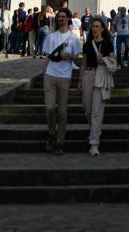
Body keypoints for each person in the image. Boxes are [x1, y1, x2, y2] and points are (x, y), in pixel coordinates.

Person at [41, 10, 82, 154]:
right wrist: (43, 72)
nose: (61, 19)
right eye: (59, 17)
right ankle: (52, 133)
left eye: (63, 17)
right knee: (50, 108)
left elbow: (77, 57)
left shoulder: (73, 38)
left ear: (69, 19)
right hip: (50, 75)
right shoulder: (51, 37)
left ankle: (60, 141)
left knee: (62, 110)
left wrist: (69, 56)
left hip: (65, 76)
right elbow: (46, 56)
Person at [80, 16, 117, 156]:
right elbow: (83, 63)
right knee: (88, 109)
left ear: (102, 28)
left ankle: (94, 143)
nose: (95, 28)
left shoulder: (107, 43)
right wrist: (79, 81)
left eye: (97, 26)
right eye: (93, 26)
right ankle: (94, 130)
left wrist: (104, 60)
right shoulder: (87, 44)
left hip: (101, 77)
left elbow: (114, 61)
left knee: (96, 111)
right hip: (88, 76)